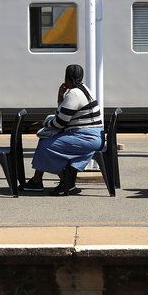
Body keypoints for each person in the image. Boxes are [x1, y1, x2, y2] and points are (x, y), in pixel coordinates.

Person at [21, 64, 104, 196]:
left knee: (45, 146)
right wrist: (61, 99)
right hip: (90, 136)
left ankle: (66, 183)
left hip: (85, 138)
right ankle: (38, 181)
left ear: (66, 78)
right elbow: (64, 116)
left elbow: (60, 123)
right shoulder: (85, 89)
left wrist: (44, 123)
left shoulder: (74, 94)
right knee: (46, 140)